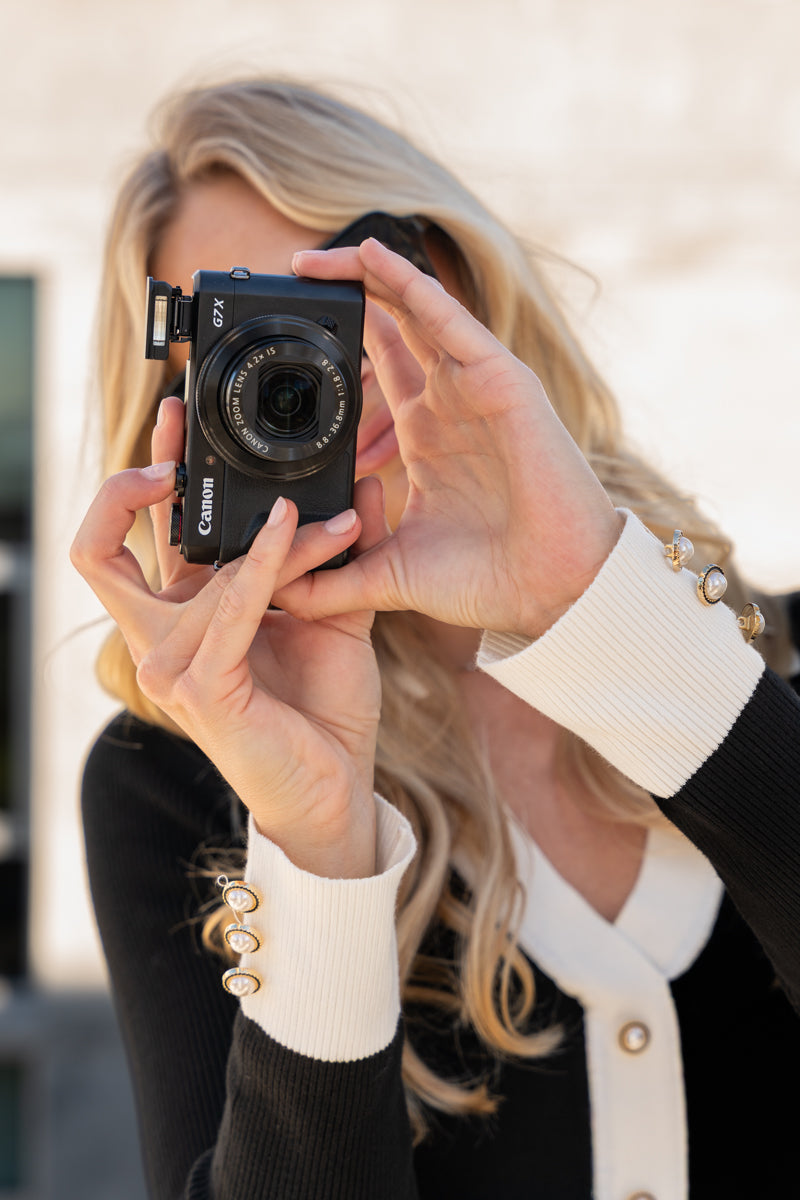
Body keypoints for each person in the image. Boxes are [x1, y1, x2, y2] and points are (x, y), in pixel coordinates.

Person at [71, 79, 800, 1200]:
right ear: (178, 405)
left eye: (346, 286)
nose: (315, 363)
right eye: (247, 327)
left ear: (451, 280)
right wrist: (315, 845)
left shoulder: (765, 657)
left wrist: (601, 610)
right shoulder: (170, 775)